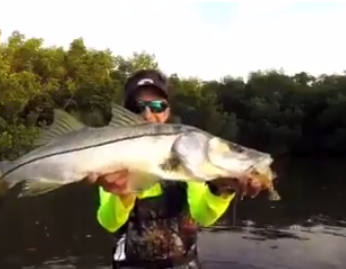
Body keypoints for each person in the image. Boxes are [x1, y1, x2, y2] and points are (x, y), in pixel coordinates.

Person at [87, 69, 263, 269]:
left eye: (157, 106)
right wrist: (124, 195)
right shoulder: (113, 154)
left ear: (167, 111)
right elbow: (109, 222)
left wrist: (222, 191)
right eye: (138, 106)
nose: (147, 115)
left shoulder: (188, 153)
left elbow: (202, 216)